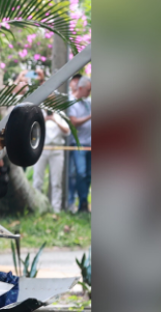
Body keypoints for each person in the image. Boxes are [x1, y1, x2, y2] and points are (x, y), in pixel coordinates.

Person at [34, 110, 70, 211]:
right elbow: (32, 130)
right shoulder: (39, 113)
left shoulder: (60, 114)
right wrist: (44, 120)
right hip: (41, 148)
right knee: (37, 180)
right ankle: (38, 207)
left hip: (57, 149)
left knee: (56, 181)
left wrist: (55, 121)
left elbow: (67, 131)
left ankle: (56, 209)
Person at [66, 75, 92, 212]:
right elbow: (74, 122)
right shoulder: (71, 102)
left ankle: (83, 203)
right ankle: (78, 201)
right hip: (78, 145)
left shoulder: (87, 102)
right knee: (80, 173)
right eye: (88, 90)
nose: (89, 93)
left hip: (90, 144)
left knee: (89, 175)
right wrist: (90, 117)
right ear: (80, 88)